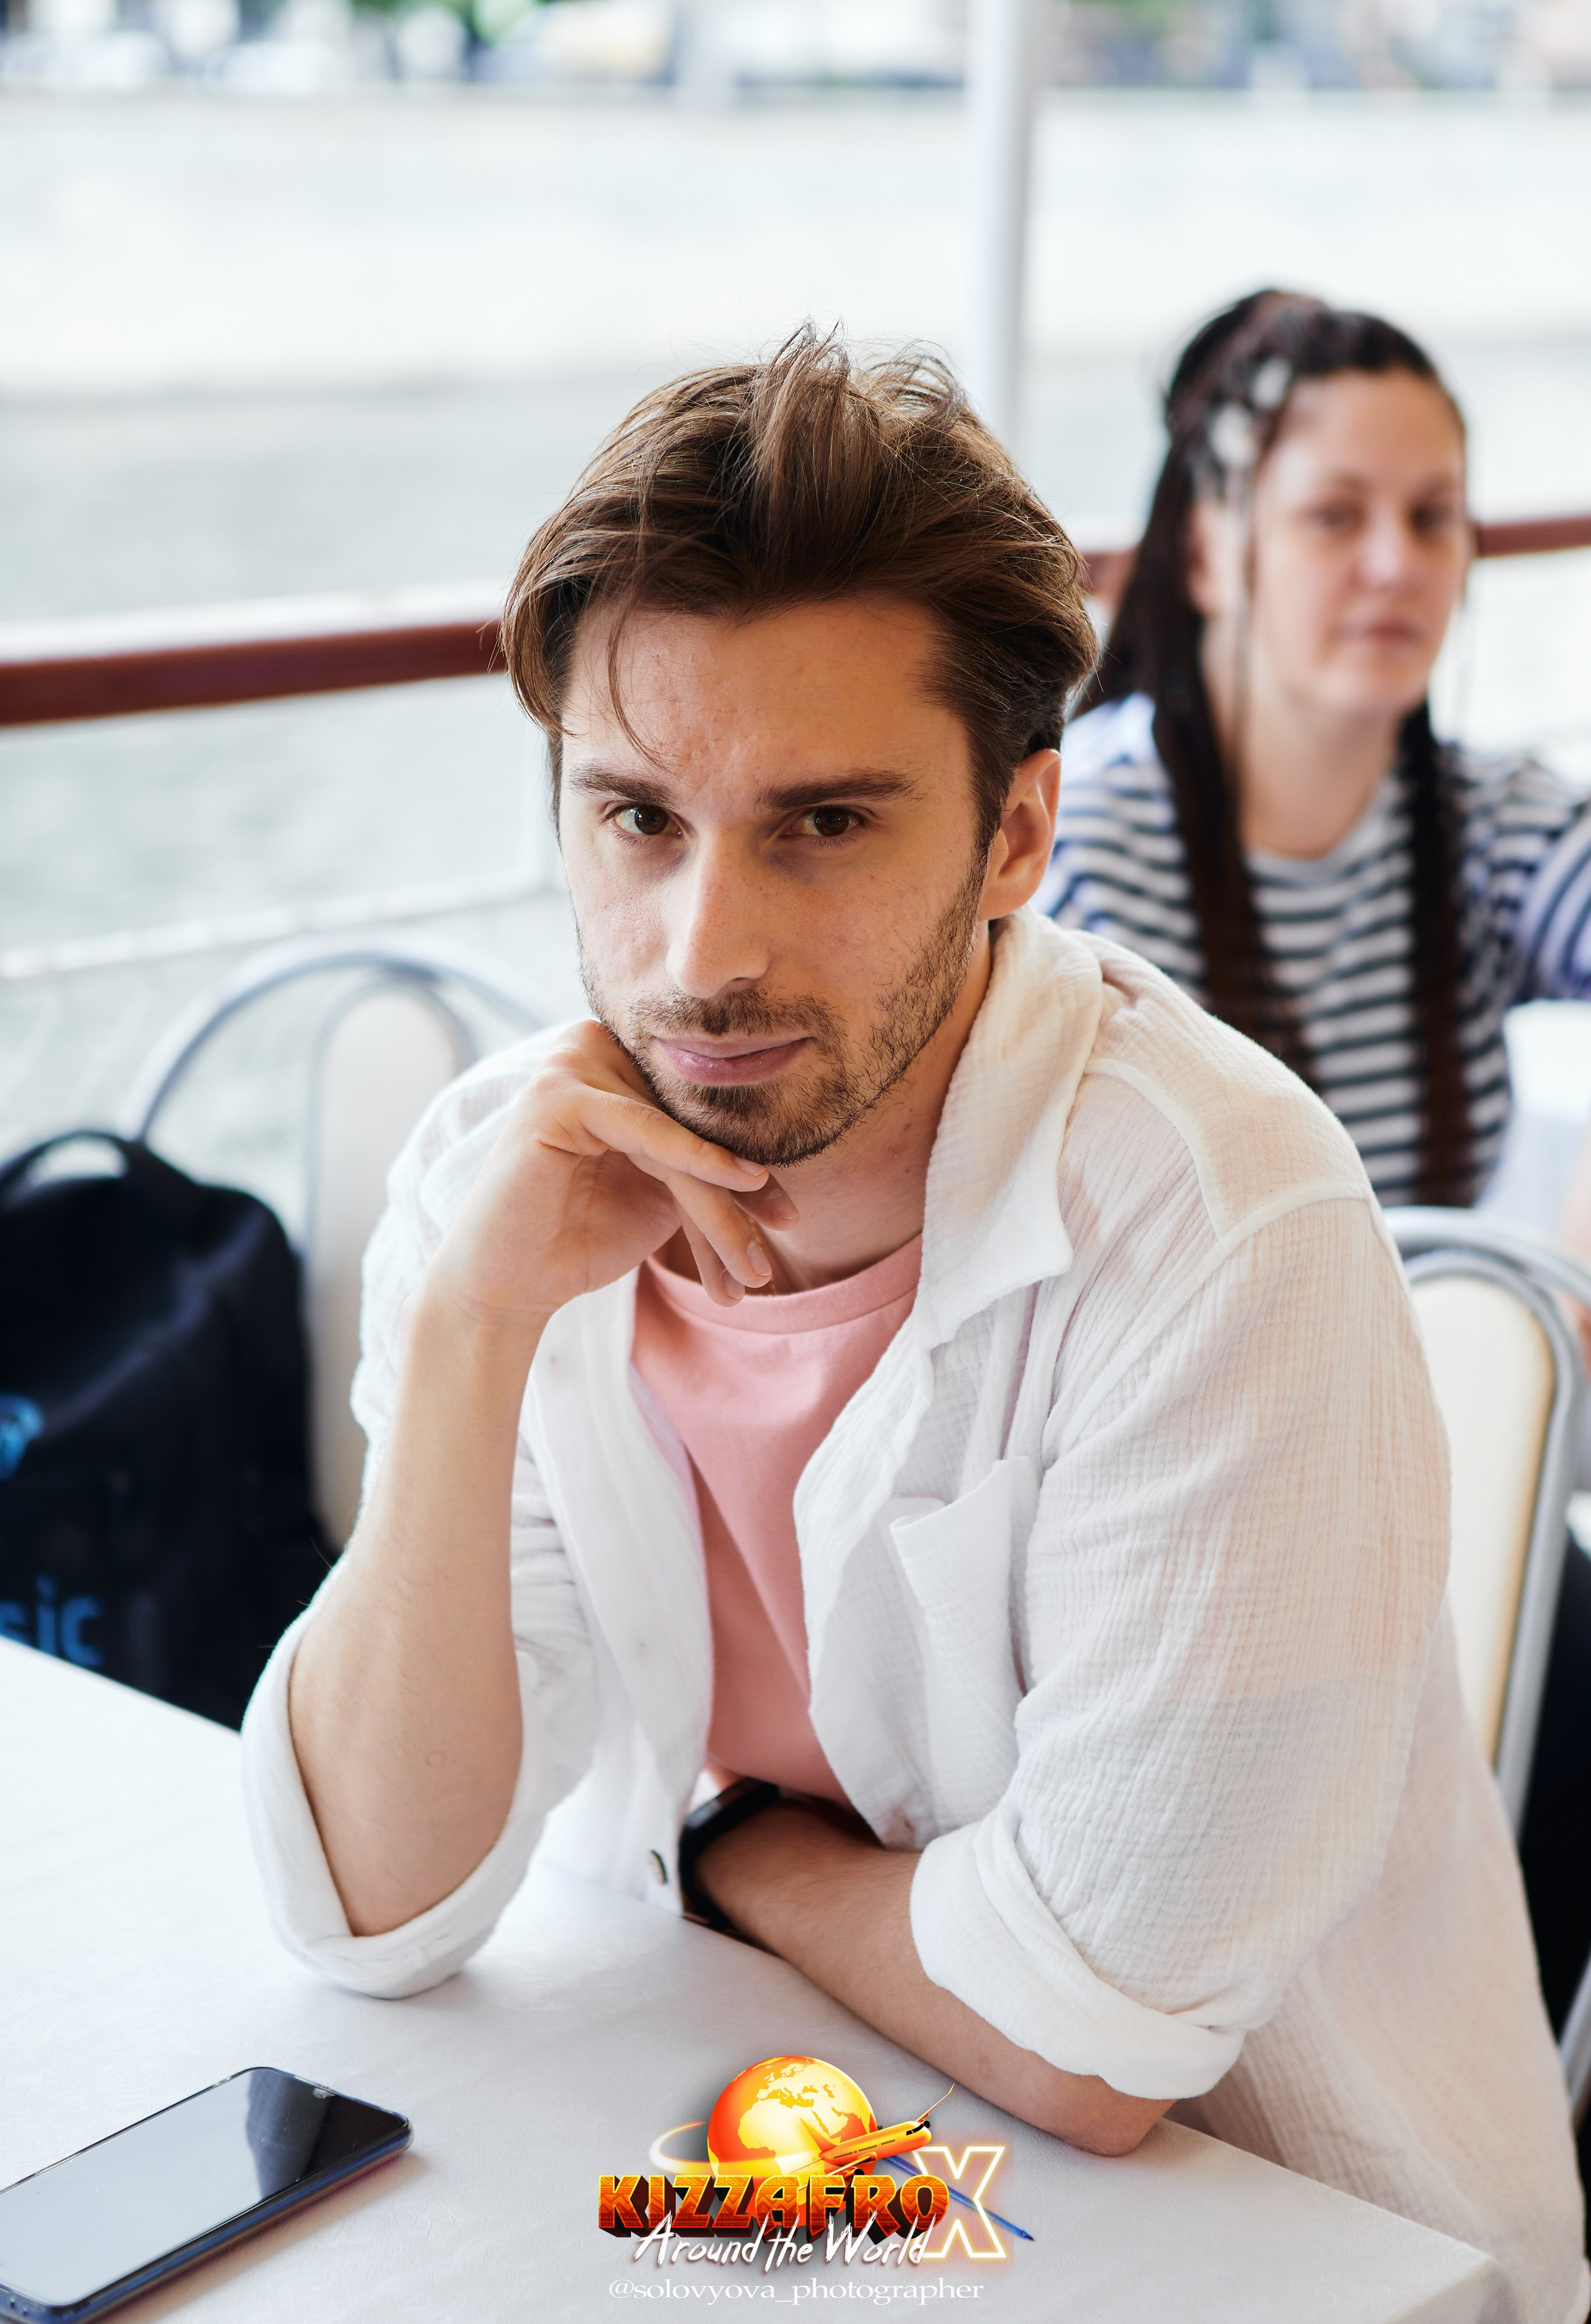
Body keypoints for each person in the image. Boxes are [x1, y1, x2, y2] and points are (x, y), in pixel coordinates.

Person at [241, 331, 1585, 2322]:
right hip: (798, 2184)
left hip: (1298, 2255)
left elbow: (1089, 2042)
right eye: (634, 819)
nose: (701, 955)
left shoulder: (1221, 1224)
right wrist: (467, 1329)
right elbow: (367, 1910)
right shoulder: (503, 1186)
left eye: (825, 824)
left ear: (1020, 837)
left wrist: (729, 1854)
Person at [1040, 286, 1591, 2056]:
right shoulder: (1093, 836)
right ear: (1213, 550)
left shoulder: (1489, 824)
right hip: (1160, 1498)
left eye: (1435, 519)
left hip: (1428, 1485)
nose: (1396, 564)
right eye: (1335, 516)